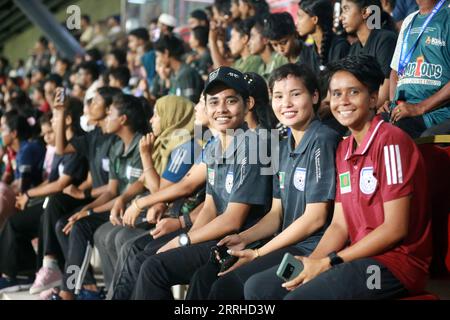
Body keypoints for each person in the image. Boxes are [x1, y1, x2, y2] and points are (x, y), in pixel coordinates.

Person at [245, 55, 432, 300]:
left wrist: (329, 262)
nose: (343, 101)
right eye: (335, 94)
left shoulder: (391, 141)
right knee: (259, 288)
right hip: (353, 256)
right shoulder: (344, 149)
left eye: (353, 92)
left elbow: (394, 229)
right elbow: (339, 225)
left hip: (394, 264)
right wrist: (312, 263)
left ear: (374, 98)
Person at [187, 63, 340, 299]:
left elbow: (315, 218)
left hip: (311, 246)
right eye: (278, 96)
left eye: (295, 94)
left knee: (237, 287)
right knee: (209, 277)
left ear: (315, 96)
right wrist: (244, 238)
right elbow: (276, 214)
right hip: (284, 241)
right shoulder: (280, 144)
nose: (286, 103)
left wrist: (258, 253)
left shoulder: (323, 139)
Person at [130, 66, 273, 300]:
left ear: (248, 104)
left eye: (230, 101)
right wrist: (186, 242)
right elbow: (210, 206)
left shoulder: (254, 146)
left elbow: (233, 219)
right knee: (144, 258)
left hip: (239, 241)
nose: (221, 109)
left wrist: (183, 239)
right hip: (215, 235)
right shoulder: (216, 146)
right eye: (214, 102)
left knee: (153, 268)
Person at [94, 95, 199, 291]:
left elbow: (160, 191)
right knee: (105, 233)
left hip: (171, 216)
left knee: (124, 241)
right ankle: (114, 293)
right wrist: (123, 199)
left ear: (172, 117)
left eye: (157, 115)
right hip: (157, 209)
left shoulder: (185, 146)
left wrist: (145, 157)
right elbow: (144, 181)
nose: (152, 120)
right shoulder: (164, 143)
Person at [52, 93, 150, 300]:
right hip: (115, 206)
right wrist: (84, 210)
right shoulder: (116, 147)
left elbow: (132, 193)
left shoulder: (142, 145)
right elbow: (111, 191)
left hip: (133, 209)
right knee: (68, 222)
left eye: (110, 114)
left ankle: (70, 291)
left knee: (80, 225)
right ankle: (83, 287)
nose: (106, 117)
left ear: (123, 119)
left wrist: (89, 211)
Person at [29, 87, 121, 297]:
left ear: (109, 109)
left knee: (73, 225)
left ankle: (72, 290)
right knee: (62, 220)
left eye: (94, 102)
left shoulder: (115, 138)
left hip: (112, 203)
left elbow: (116, 188)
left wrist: (84, 197)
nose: (88, 105)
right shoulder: (94, 136)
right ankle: (80, 284)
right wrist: (60, 113)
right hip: (99, 200)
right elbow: (61, 149)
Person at [0, 100, 87, 294]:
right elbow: (52, 181)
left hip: (70, 203)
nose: (49, 127)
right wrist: (26, 196)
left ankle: (54, 274)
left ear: (68, 119)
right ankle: (21, 272)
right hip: (54, 201)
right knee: (14, 222)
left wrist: (29, 194)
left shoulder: (79, 143)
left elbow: (60, 184)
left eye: (56, 117)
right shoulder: (60, 149)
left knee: (51, 214)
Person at [387, 0, 450, 138]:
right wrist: (394, 103)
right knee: (368, 126)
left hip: (438, 113)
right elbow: (395, 70)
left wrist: (419, 107)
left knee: (396, 133)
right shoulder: (409, 20)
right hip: (405, 110)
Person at [341, 0, 398, 108]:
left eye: (346, 9)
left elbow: (383, 95)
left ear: (365, 12)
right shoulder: (354, 48)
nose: (341, 17)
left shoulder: (385, 40)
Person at [297, 0, 350, 70]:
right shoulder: (306, 53)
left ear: (315, 19)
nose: (297, 23)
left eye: (300, 17)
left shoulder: (340, 47)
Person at [154, 35, 204, 103]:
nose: (158, 59)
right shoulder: (174, 74)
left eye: (158, 55)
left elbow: (189, 105)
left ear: (166, 53)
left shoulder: (186, 74)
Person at [248, 17, 288, 81]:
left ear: (265, 39)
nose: (249, 43)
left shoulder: (280, 60)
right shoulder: (261, 68)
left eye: (252, 37)